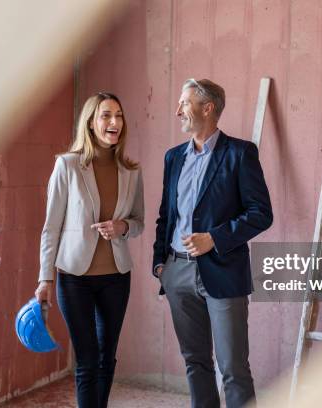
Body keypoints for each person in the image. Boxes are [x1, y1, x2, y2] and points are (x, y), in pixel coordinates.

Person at [153, 78, 273, 408]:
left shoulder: (240, 153)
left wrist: (214, 239)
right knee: (195, 363)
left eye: (184, 103)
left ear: (208, 108)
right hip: (177, 272)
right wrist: (161, 264)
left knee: (233, 367)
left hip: (223, 273)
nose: (177, 110)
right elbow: (166, 215)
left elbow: (261, 213)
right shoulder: (173, 157)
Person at [35, 92, 144, 408]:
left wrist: (122, 227)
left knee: (106, 358)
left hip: (116, 276)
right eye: (106, 115)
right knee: (87, 362)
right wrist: (45, 279)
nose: (114, 122)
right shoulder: (67, 165)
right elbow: (50, 227)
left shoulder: (131, 171)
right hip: (74, 278)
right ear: (91, 122)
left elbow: (138, 221)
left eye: (119, 116)